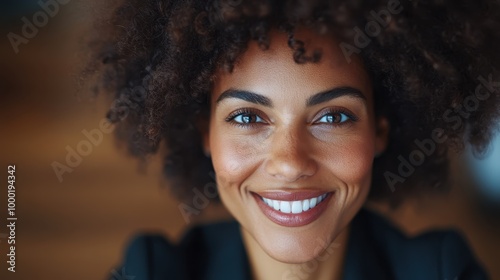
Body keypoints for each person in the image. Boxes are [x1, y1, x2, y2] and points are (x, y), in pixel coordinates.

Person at [86, 0, 500, 279]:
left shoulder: (441, 271)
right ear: (205, 134)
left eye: (334, 117)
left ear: (379, 132)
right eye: (248, 117)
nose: (290, 162)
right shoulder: (152, 271)